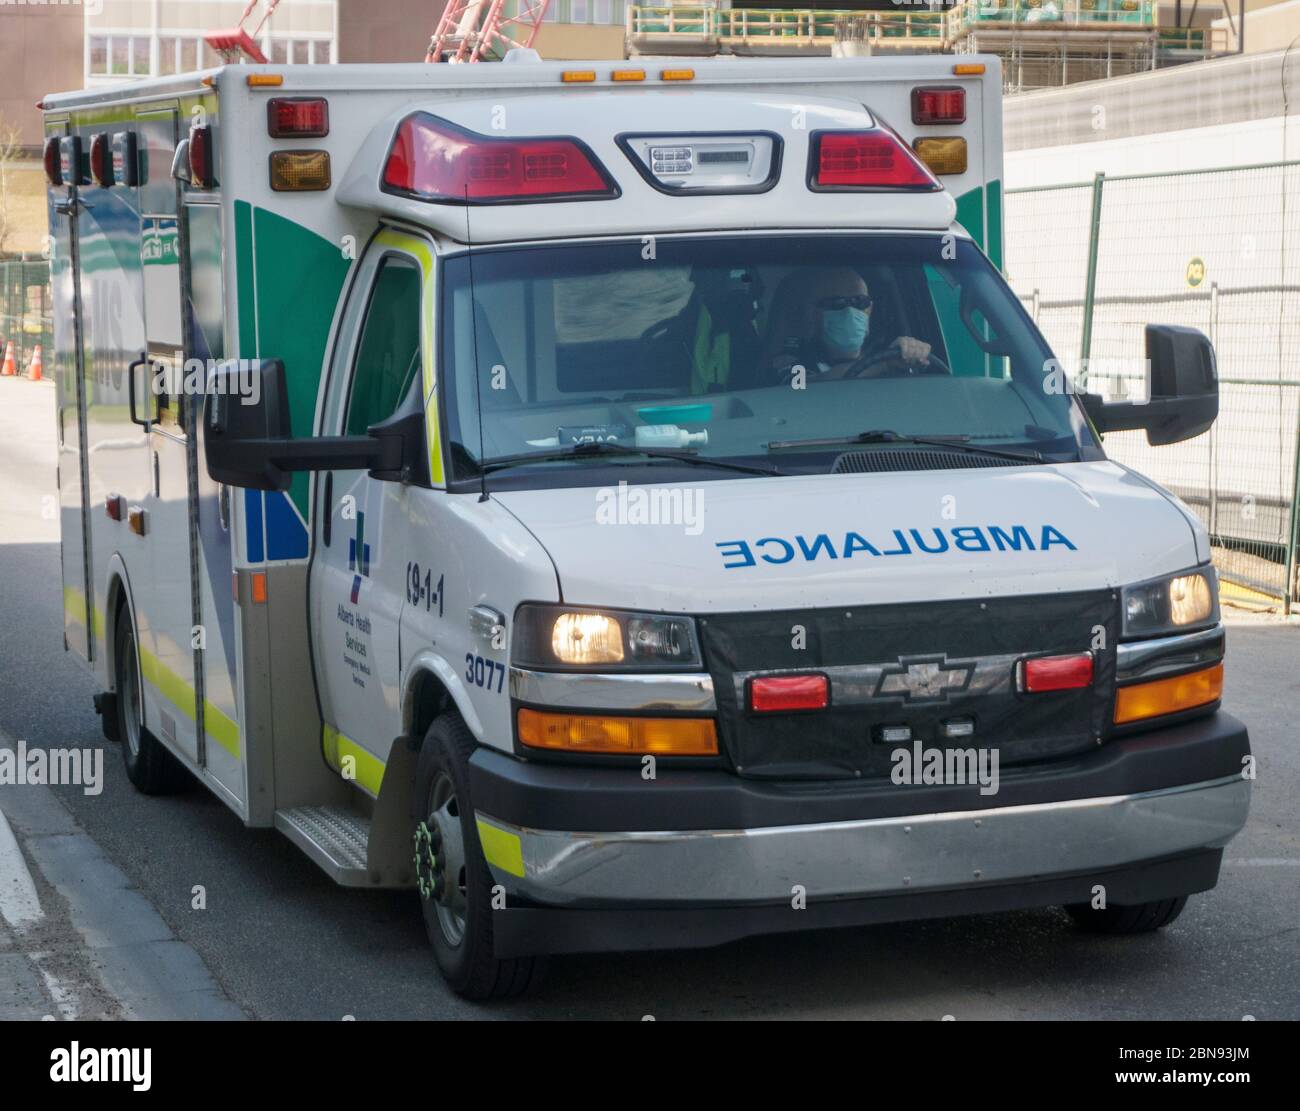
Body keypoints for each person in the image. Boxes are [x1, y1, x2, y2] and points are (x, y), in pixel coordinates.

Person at [765, 266, 934, 382]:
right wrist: (882, 365)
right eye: (836, 303)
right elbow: (803, 386)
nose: (850, 311)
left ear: (870, 310)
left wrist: (911, 353)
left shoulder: (887, 354)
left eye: (859, 302)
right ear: (810, 314)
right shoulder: (789, 362)